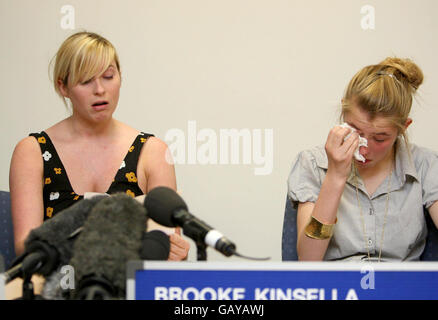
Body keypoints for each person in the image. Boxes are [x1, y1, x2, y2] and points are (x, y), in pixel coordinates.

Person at [9, 31, 190, 260]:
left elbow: (167, 244)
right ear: (63, 87)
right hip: (59, 288)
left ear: (120, 78)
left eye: (108, 76)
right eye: (86, 81)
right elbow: (26, 247)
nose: (100, 90)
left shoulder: (152, 151)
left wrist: (175, 253)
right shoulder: (32, 151)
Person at [287, 57, 438, 261]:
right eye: (355, 131)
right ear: (343, 111)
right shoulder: (312, 163)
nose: (364, 149)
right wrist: (335, 176)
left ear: (404, 127)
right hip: (337, 289)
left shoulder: (426, 165)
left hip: (403, 289)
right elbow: (308, 259)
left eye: (380, 138)